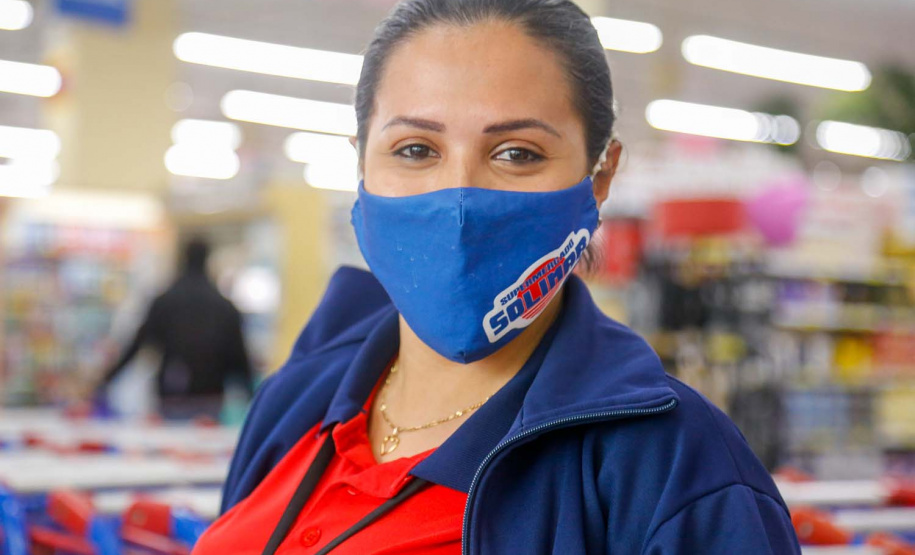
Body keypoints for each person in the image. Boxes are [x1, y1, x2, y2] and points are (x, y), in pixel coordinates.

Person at [194, 0, 801, 553]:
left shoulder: (676, 470)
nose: (458, 196)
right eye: (414, 149)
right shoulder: (299, 397)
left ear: (600, 177)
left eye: (517, 153)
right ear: (361, 163)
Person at [98, 237, 254, 421]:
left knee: (171, 445)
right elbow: (239, 356)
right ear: (208, 259)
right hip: (211, 394)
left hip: (170, 393)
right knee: (204, 443)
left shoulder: (164, 301)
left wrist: (107, 379)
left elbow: (138, 344)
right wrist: (252, 395)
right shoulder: (225, 307)